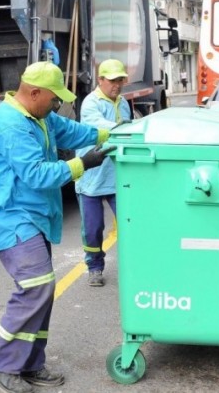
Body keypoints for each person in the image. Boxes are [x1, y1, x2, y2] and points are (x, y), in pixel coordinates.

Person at [0, 61, 115, 392]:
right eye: (54, 99)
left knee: (42, 290)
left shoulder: (39, 116)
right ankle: (0, 363)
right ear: (34, 92)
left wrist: (112, 133)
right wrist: (83, 163)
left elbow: (72, 130)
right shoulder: (12, 125)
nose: (58, 105)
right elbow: (36, 174)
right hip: (9, 216)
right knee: (36, 285)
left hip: (31, 214)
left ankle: (28, 363)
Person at [76, 59, 132, 287]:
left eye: (120, 80)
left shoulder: (123, 102)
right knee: (93, 229)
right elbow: (101, 127)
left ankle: (135, 265)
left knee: (131, 224)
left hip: (117, 177)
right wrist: (128, 128)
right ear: (100, 80)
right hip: (91, 178)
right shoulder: (91, 104)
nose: (117, 85)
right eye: (112, 81)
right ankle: (95, 267)